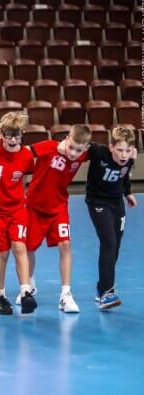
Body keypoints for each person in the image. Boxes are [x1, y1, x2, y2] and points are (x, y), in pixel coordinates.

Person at [23, 125, 92, 313]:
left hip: (58, 207)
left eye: (79, 150)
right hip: (34, 206)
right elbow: (22, 152)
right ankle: (28, 286)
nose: (73, 153)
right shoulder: (48, 146)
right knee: (29, 248)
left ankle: (65, 295)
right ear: (67, 139)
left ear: (85, 148)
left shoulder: (85, 154)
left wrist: (131, 153)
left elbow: (107, 151)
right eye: (71, 147)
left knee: (65, 244)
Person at [0, 112, 36, 316]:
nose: (12, 140)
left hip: (16, 209)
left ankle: (25, 292)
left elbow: (24, 179)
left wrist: (21, 196)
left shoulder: (27, 156)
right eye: (8, 135)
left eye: (17, 135)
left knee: (20, 247)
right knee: (2, 252)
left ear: (22, 133)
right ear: (0, 133)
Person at [85, 126, 137, 310]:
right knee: (109, 243)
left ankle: (102, 288)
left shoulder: (129, 158)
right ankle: (107, 292)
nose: (123, 154)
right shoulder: (98, 152)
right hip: (97, 201)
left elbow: (124, 175)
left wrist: (128, 192)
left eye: (127, 150)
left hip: (117, 202)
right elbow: (78, 140)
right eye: (120, 150)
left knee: (116, 245)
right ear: (111, 147)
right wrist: (62, 144)